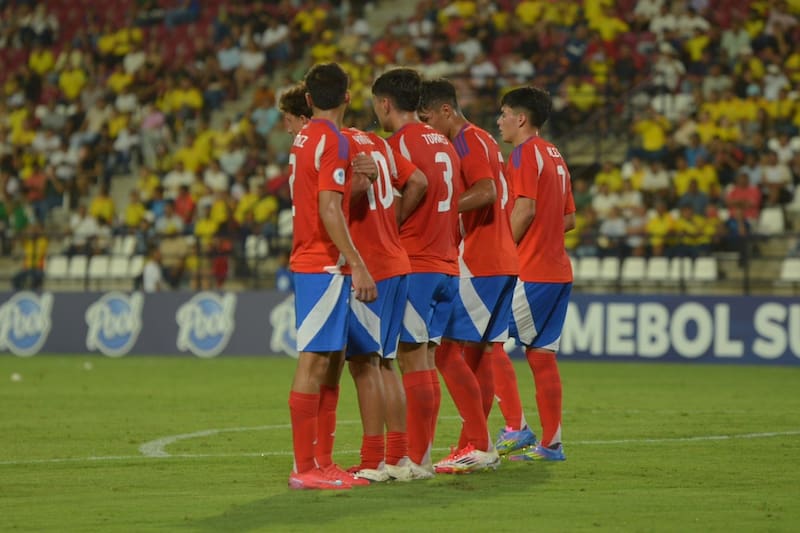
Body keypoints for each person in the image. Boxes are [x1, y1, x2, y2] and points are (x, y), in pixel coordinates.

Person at [417, 78, 518, 473]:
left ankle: (480, 442)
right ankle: (473, 446)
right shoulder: (481, 140)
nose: (426, 128)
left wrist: (441, 209)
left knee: (445, 352)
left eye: (428, 119)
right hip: (499, 260)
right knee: (479, 356)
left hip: (481, 261)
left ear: (446, 111)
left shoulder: (467, 141)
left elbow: (488, 191)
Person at [286, 63, 377, 491]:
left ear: (308, 100)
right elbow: (327, 208)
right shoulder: (333, 140)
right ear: (347, 97)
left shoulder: (305, 137)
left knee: (330, 364)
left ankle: (322, 462)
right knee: (314, 363)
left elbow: (324, 197)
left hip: (317, 259)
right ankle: (305, 467)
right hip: (321, 262)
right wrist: (356, 261)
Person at [371, 67, 462, 479]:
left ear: (385, 103)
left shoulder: (398, 144)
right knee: (425, 360)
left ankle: (409, 458)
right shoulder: (443, 141)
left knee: (409, 360)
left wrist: (393, 223)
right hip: (447, 265)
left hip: (417, 264)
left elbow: (418, 185)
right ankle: (421, 459)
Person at [497, 86, 576, 462]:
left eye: (504, 114)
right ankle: (552, 444)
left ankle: (515, 428)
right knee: (542, 357)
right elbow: (569, 218)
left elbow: (524, 210)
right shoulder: (555, 154)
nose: (500, 121)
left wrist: (503, 252)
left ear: (521, 119)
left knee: (483, 343)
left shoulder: (525, 153)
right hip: (558, 270)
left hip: (532, 272)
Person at [11, 222, 48, 291]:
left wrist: (37, 231)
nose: (34, 232)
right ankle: (20, 292)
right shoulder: (28, 242)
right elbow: (21, 238)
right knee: (15, 278)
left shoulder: (43, 241)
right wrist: (28, 230)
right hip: (27, 268)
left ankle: (34, 292)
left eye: (35, 230)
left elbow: (44, 234)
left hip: (38, 268)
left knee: (35, 277)